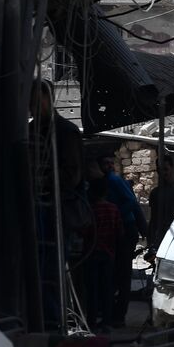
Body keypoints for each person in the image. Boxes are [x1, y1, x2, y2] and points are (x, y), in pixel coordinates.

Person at [31, 78, 85, 327]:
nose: (31, 107)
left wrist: (43, 180)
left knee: (51, 269)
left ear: (47, 100)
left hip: (56, 209)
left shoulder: (65, 132)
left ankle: (55, 323)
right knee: (36, 269)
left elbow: (71, 176)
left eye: (35, 101)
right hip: (36, 208)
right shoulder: (32, 132)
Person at [100, 156, 146, 326]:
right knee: (118, 272)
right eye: (106, 163)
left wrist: (116, 215)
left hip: (126, 229)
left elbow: (131, 201)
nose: (110, 166)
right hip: (122, 230)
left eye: (111, 162)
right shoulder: (107, 181)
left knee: (123, 272)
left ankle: (119, 315)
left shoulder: (113, 180)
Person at [82, 178, 122, 329]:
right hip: (109, 254)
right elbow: (119, 232)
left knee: (92, 289)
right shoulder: (113, 209)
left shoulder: (91, 209)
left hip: (92, 253)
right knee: (107, 288)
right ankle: (106, 321)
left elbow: (85, 232)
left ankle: (91, 321)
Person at [146, 154, 174, 257]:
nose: (163, 173)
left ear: (172, 168)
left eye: (165, 169)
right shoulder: (155, 193)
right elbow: (153, 220)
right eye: (159, 170)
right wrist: (150, 242)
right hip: (162, 237)